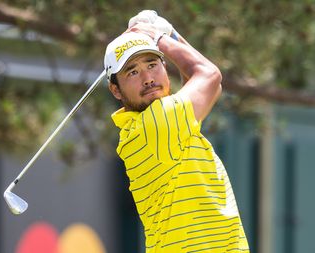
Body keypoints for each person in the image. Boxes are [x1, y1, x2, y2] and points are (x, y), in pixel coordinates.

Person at [104, 12, 250, 253]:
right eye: (132, 72)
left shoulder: (160, 125)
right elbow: (209, 75)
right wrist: (161, 37)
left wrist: (169, 34)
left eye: (152, 65)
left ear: (164, 66)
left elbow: (208, 85)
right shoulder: (156, 124)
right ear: (115, 90)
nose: (148, 78)